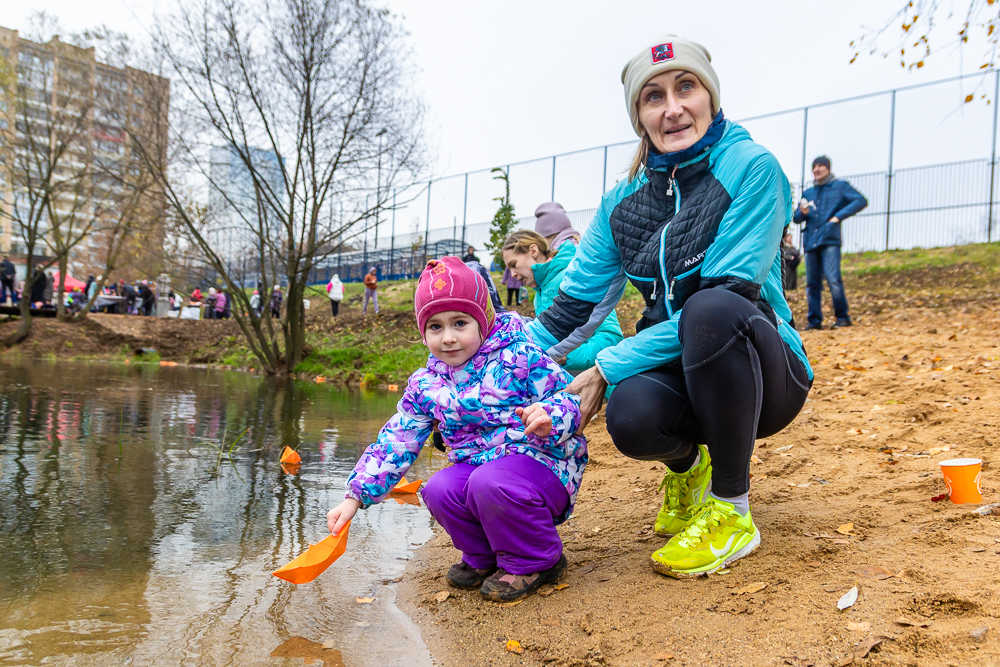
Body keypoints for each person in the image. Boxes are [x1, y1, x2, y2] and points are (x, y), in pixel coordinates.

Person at [524, 35, 813, 579]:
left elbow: (732, 299)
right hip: (678, 363)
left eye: (686, 87)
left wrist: (606, 366)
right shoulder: (622, 200)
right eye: (653, 96)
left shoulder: (753, 168)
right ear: (640, 117)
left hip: (765, 371)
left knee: (711, 308)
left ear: (711, 97)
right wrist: (484, 366)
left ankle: (731, 509)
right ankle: (689, 468)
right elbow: (570, 310)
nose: (673, 107)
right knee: (632, 417)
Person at [326, 257, 586, 601]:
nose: (448, 338)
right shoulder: (426, 384)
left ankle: (535, 559)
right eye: (435, 327)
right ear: (423, 334)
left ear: (483, 321)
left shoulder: (521, 357)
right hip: (481, 470)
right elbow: (397, 439)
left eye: (460, 323)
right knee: (438, 488)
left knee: (488, 482)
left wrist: (550, 415)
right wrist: (355, 496)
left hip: (543, 464)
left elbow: (573, 400)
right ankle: (486, 556)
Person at [502, 230, 623, 372]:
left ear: (533, 250)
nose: (512, 274)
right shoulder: (539, 294)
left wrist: (565, 356)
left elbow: (611, 338)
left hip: (599, 388)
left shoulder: (572, 278)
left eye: (513, 264)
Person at [792, 155, 868, 330]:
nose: (816, 170)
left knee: (833, 279)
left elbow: (861, 200)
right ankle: (814, 321)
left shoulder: (840, 186)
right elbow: (796, 218)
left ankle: (842, 317)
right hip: (810, 241)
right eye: (814, 167)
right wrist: (802, 213)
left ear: (828, 168)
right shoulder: (808, 193)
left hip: (829, 239)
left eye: (820, 166)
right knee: (811, 283)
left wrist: (837, 217)